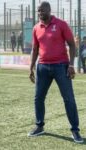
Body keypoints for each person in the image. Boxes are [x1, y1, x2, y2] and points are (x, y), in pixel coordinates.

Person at [28, 1, 83, 143]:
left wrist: (71, 65)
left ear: (49, 10)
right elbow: (35, 49)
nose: (40, 13)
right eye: (38, 11)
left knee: (68, 99)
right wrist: (31, 66)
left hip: (61, 67)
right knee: (38, 98)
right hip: (43, 68)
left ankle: (75, 130)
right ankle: (39, 127)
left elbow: (72, 44)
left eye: (42, 10)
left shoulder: (61, 24)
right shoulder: (36, 28)